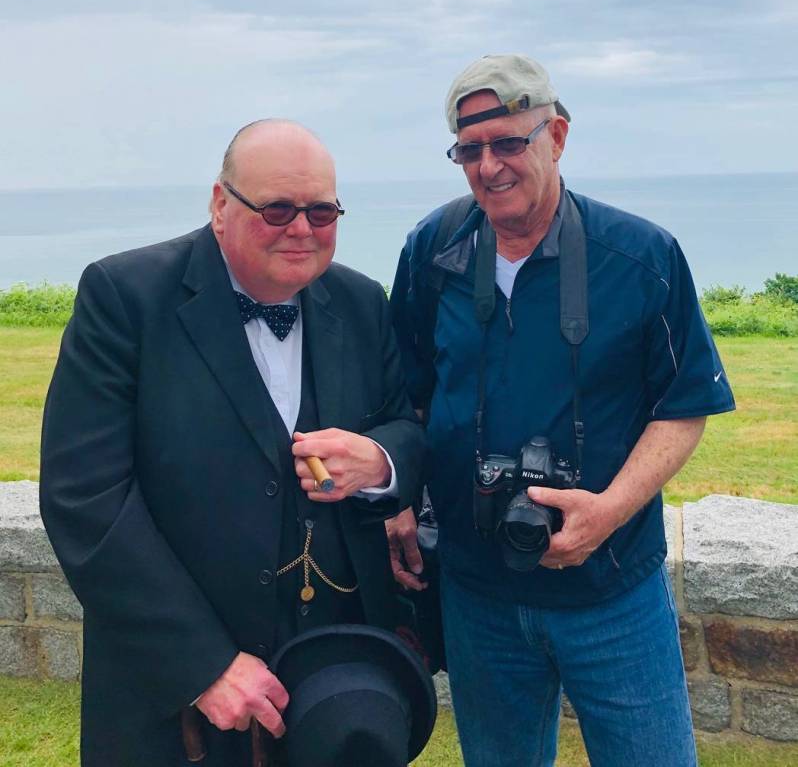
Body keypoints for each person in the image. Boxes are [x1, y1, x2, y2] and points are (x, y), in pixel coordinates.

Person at [40, 119, 424, 767]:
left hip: (333, 688)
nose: (302, 228)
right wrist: (205, 665)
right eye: (276, 208)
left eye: (322, 210)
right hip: (175, 697)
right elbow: (86, 498)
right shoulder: (124, 297)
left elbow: (406, 428)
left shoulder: (361, 302)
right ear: (221, 203)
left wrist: (382, 461)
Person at [387, 54, 735, 767]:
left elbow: (684, 405)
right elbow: (404, 395)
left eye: (509, 142)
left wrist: (608, 509)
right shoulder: (433, 250)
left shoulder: (641, 258)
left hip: (614, 591)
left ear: (558, 136)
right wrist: (397, 497)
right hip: (477, 588)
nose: (489, 166)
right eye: (469, 150)